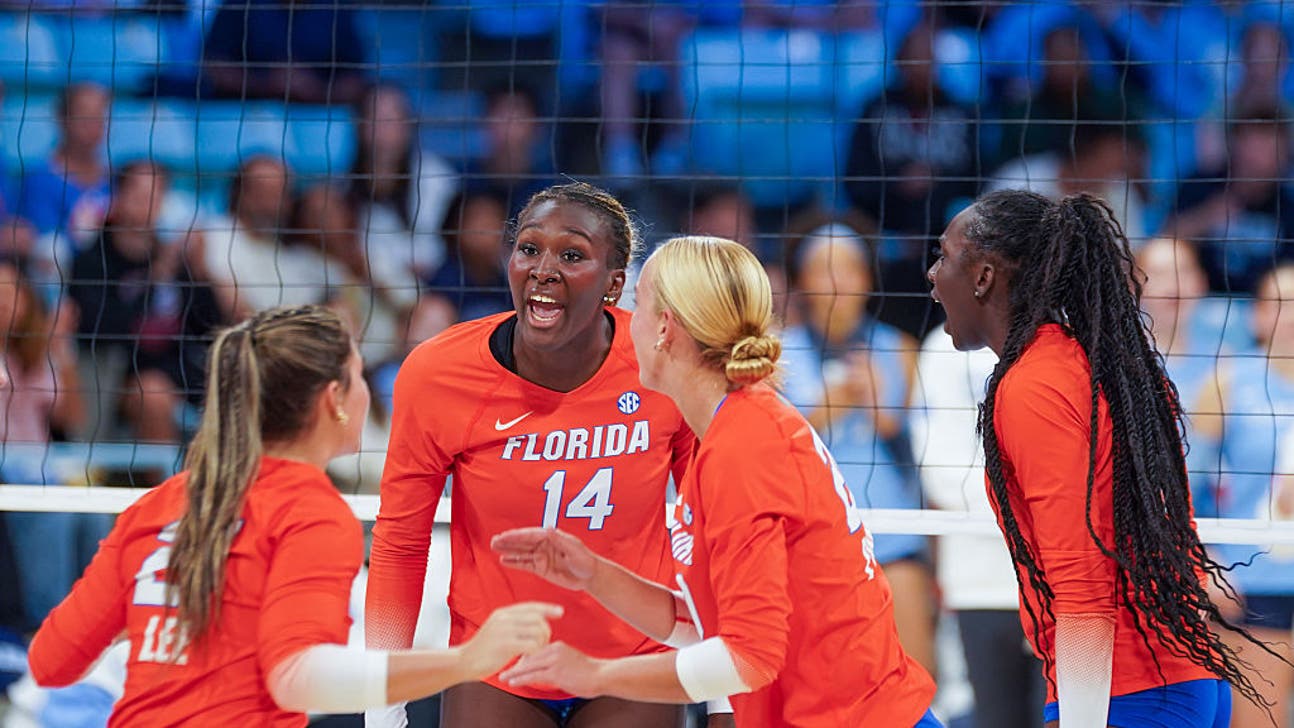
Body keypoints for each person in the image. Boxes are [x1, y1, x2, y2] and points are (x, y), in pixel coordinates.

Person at [26, 305, 563, 724]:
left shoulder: (162, 503)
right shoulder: (310, 512)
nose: (366, 392)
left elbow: (50, 662)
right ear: (334, 399)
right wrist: (467, 661)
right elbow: (299, 677)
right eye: (358, 376)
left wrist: (166, 626)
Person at [491, 235, 941, 726]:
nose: (624, 322)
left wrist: (597, 675)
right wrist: (595, 575)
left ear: (665, 328)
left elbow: (749, 658)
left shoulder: (745, 447)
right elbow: (707, 625)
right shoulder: (730, 430)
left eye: (636, 303)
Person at [926, 188, 1276, 727]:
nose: (932, 275)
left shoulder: (1035, 385)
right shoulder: (1095, 361)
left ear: (984, 277)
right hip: (1180, 677)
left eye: (944, 256)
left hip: (1129, 692)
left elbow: (1082, 582)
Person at [366, 182, 694, 728]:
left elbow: (710, 525)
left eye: (572, 255)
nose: (544, 270)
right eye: (529, 248)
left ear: (615, 284)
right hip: (497, 663)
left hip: (635, 655)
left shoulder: (663, 364)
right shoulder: (438, 374)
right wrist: (382, 708)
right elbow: (400, 542)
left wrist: (725, 693)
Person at [778, 224, 937, 676]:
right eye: (823, 269)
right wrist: (826, 408)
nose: (838, 280)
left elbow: (917, 444)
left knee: (914, 674)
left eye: (849, 268)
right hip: (809, 536)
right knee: (824, 678)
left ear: (867, 278)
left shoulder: (898, 347)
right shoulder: (777, 353)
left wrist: (880, 407)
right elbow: (767, 446)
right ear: (802, 282)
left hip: (892, 530)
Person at [1195, 263, 1294, 727]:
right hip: (1258, 579)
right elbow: (1185, 483)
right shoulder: (1229, 381)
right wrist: (1205, 560)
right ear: (1257, 315)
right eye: (1280, 304)